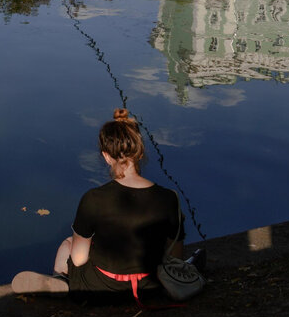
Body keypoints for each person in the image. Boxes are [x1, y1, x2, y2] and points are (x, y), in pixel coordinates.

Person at [11, 109, 186, 297]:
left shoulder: (93, 198)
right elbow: (175, 254)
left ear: (106, 156)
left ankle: (62, 280)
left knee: (68, 244)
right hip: (151, 284)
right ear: (140, 152)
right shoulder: (169, 197)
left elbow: (78, 260)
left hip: (102, 287)